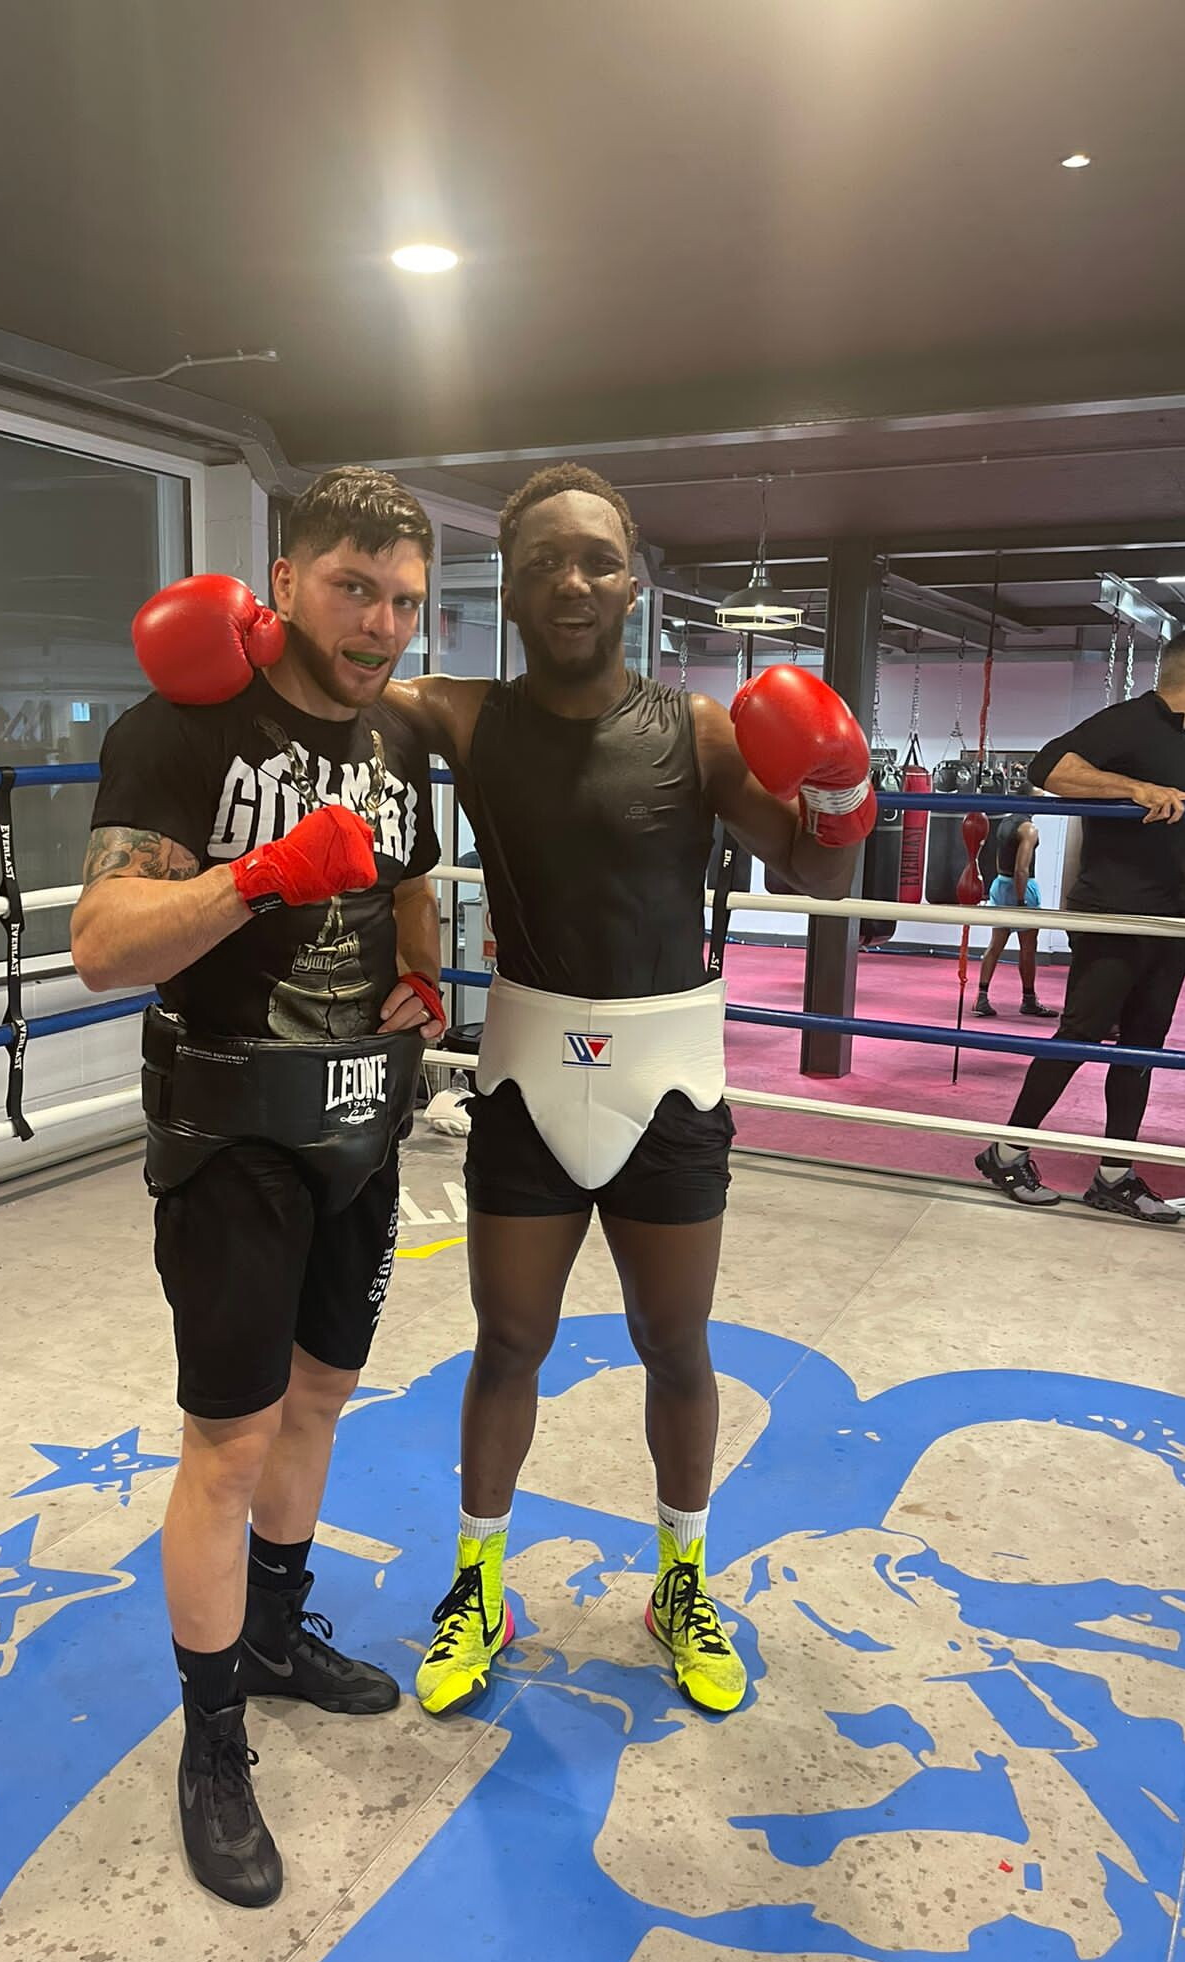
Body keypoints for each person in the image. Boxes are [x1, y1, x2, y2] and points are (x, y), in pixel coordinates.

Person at [388, 463, 871, 1719]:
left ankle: (681, 1582)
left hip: (666, 1080)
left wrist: (841, 784)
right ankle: (479, 1587)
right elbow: (335, 689)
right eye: (544, 561)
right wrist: (263, 640)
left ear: (634, 581)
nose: (572, 581)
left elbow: (822, 875)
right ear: (509, 586)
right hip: (527, 1074)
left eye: (597, 559)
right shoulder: (459, 715)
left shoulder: (697, 729)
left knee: (676, 1343)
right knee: (508, 1342)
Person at [69, 468, 445, 1910]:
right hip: (230, 1131)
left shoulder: (399, 737)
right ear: (285, 580)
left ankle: (278, 1636)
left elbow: (410, 876)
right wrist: (261, 874)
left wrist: (428, 970)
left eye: (404, 600)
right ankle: (212, 1738)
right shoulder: (180, 729)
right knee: (226, 1443)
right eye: (354, 588)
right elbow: (102, 945)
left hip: (360, 1118)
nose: (380, 625)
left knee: (322, 1396)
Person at [975, 628, 1185, 1221]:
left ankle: (1114, 1174)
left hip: (1165, 919)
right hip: (1113, 912)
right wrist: (1134, 788)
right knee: (1080, 1035)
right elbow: (1048, 766)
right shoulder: (1131, 721)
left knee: (1141, 1049)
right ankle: (1004, 1153)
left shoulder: (1181, 748)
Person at [972, 813, 1055, 1017]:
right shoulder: (1029, 829)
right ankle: (1029, 1000)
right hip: (1021, 888)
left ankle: (981, 998)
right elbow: (1021, 870)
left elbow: (999, 859)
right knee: (1028, 947)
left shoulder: (1005, 822)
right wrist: (1020, 900)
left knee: (995, 944)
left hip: (1000, 884)